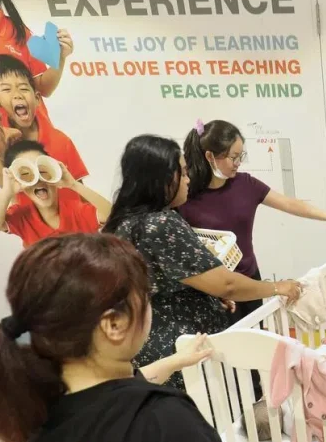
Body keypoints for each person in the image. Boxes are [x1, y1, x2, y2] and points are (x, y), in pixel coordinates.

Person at [0, 234, 284, 442]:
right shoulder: (164, 419)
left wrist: (176, 361)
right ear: (113, 324)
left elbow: (121, 391)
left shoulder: (38, 408)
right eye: (146, 297)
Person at [103, 135, 302, 390]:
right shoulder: (160, 224)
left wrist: (204, 293)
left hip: (159, 343)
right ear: (163, 179)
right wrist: (277, 287)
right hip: (181, 351)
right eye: (183, 174)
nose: (188, 180)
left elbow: (165, 278)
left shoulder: (127, 221)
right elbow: (227, 284)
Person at [180, 119, 326, 323]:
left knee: (255, 338)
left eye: (241, 155)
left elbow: (291, 204)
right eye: (233, 157)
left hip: (249, 280)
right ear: (210, 157)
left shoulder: (245, 184)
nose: (238, 162)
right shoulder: (185, 195)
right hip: (213, 288)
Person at [0, 141, 109, 247]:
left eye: (43, 171)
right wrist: (7, 191)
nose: (38, 179)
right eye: (25, 174)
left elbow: (111, 214)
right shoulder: (23, 217)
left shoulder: (75, 211)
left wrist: (73, 184)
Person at [0, 54, 88, 181]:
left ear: (37, 98)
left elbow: (80, 191)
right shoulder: (0, 146)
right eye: (6, 89)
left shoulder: (62, 141)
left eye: (23, 88)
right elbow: (5, 188)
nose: (17, 95)